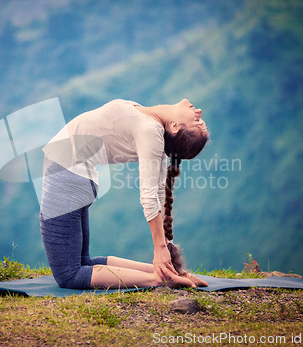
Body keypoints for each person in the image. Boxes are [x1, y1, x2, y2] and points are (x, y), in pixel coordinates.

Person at [39, 99, 209, 289]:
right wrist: (170, 260)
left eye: (197, 122)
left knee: (69, 275)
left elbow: (151, 197)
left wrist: (161, 248)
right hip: (74, 176)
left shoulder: (150, 131)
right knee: (82, 264)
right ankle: (166, 274)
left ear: (176, 126)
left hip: (67, 177)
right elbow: (158, 195)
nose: (199, 113)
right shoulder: (153, 127)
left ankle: (158, 279)